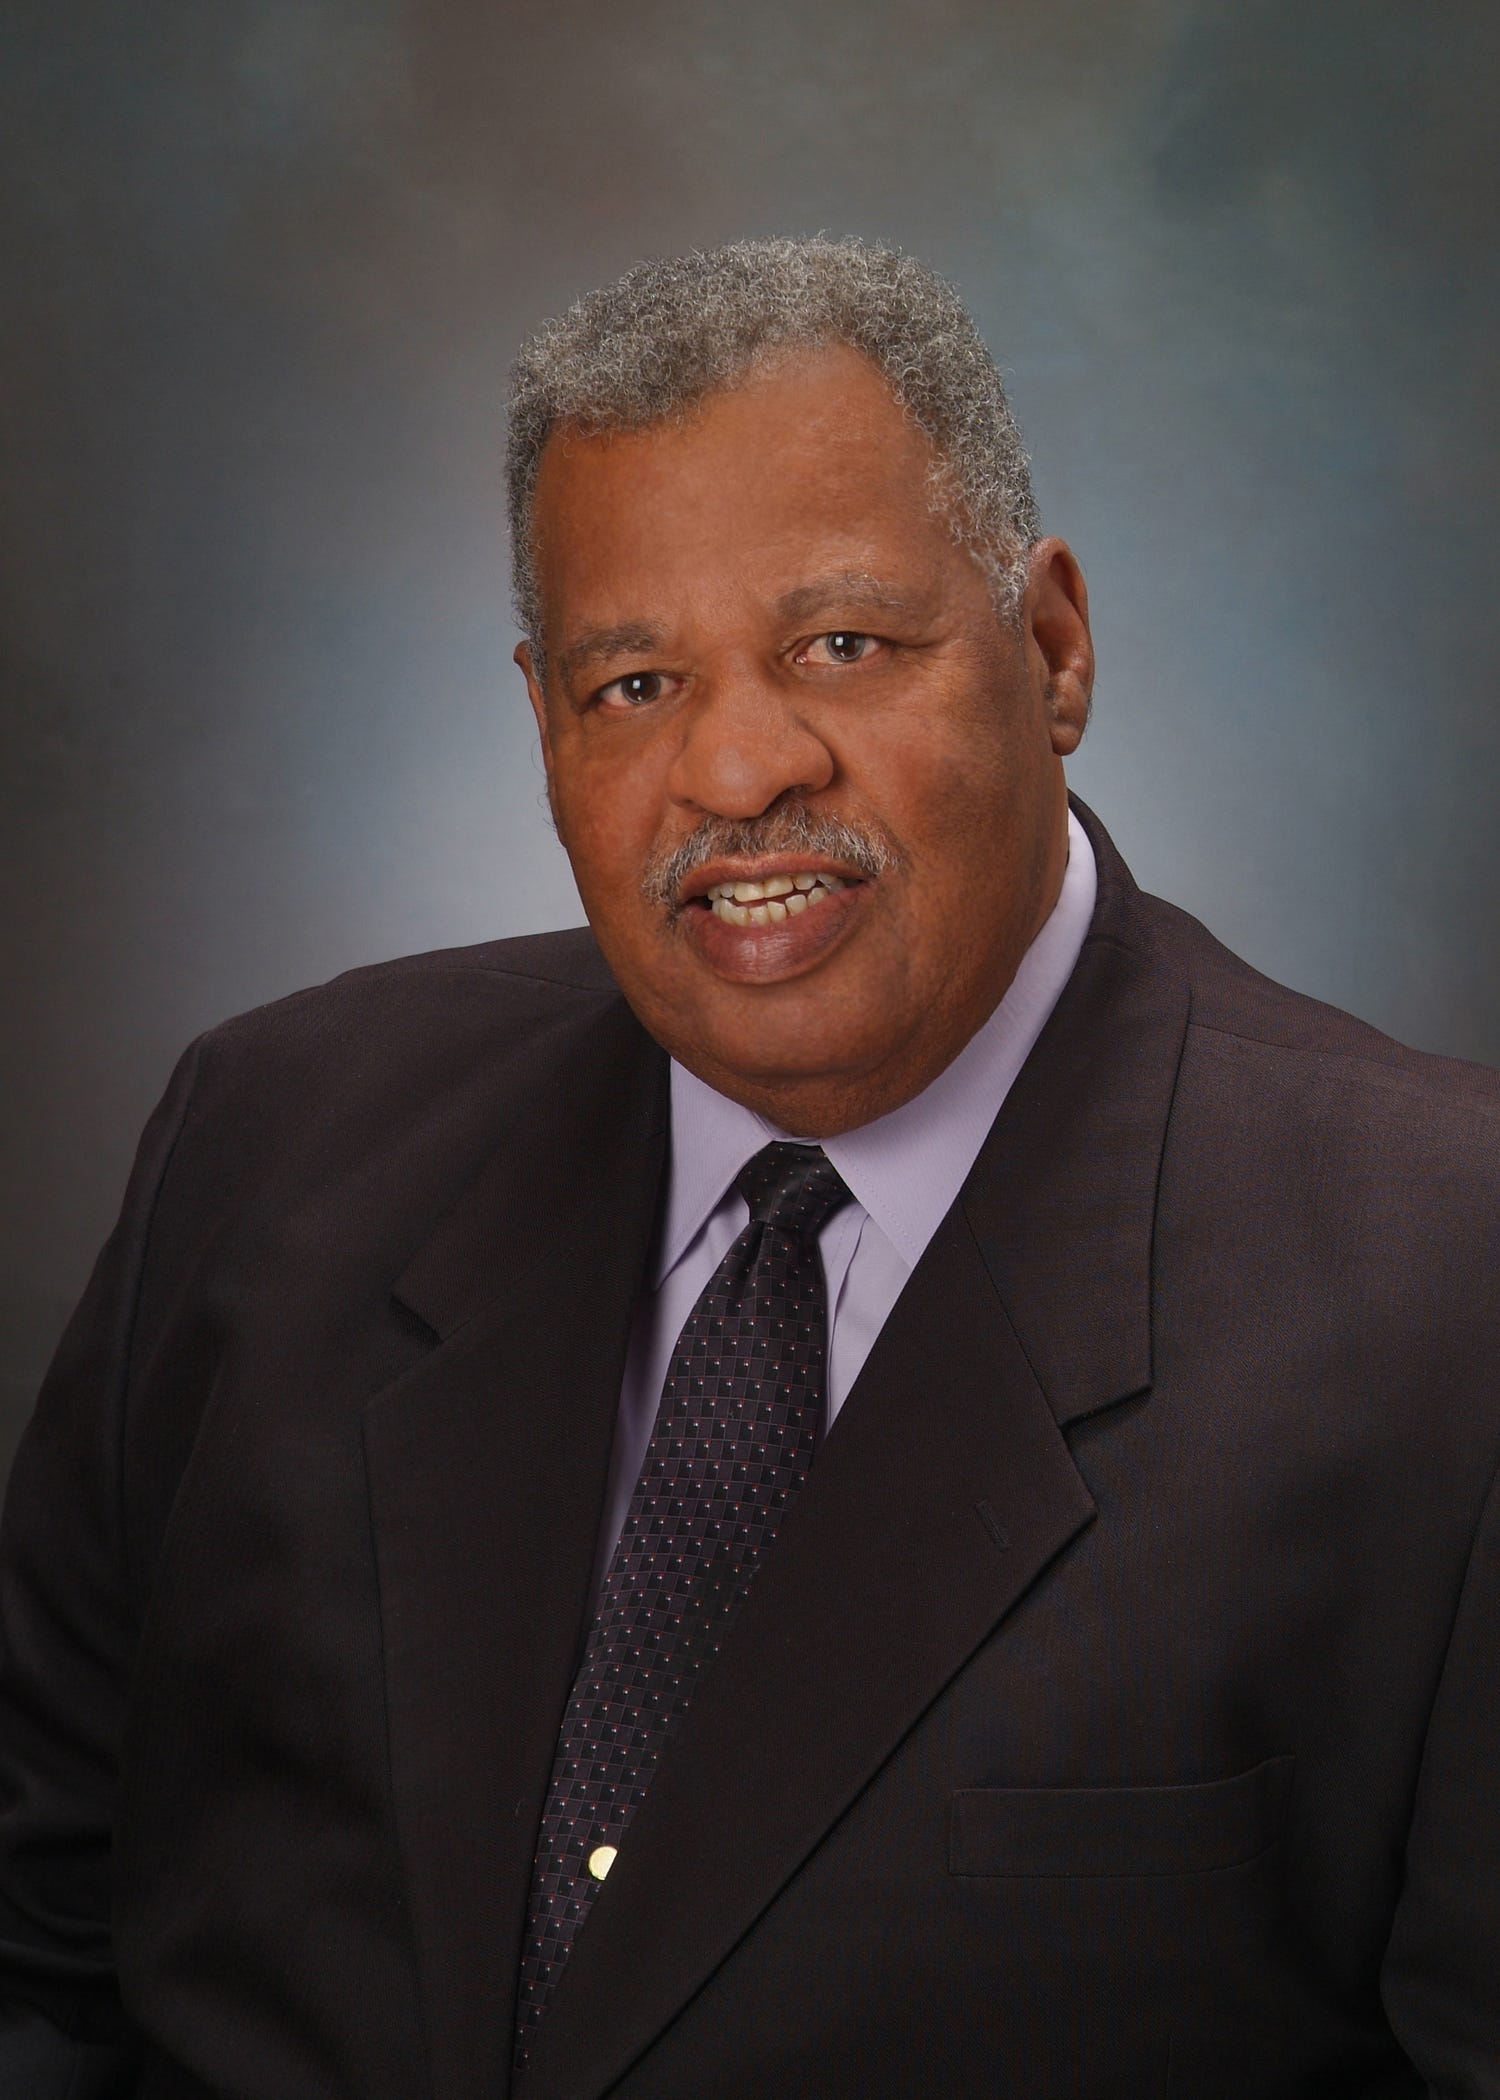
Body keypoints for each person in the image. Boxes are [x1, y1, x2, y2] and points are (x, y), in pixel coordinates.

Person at [1, 236, 1496, 2100]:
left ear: (1050, 650)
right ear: (543, 722)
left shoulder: (1446, 1286)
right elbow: (38, 1960)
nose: (732, 769)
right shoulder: (271, 1148)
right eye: (635, 683)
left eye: (840, 647)